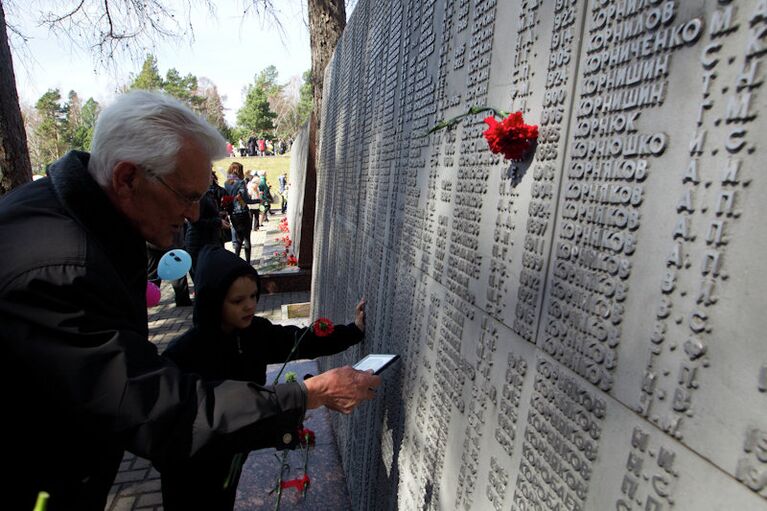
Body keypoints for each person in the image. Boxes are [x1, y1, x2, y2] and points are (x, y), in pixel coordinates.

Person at [0, 90, 380, 510]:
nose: (196, 215)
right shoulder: (58, 270)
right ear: (127, 178)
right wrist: (308, 394)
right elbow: (155, 408)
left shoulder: (85, 229)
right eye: (186, 195)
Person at [160, 245, 366, 509]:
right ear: (213, 301)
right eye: (237, 301)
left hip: (233, 457)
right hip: (191, 470)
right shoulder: (183, 354)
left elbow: (299, 340)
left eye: (254, 296)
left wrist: (352, 331)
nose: (249, 306)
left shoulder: (254, 333)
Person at [185, 172, 230, 280]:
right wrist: (218, 222)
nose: (212, 178)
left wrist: (219, 215)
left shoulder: (206, 194)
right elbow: (195, 220)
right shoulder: (198, 196)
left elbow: (206, 213)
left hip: (209, 240)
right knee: (203, 277)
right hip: (199, 242)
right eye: (208, 175)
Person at [223, 162, 256, 262]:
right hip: (243, 212)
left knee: (238, 239)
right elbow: (246, 200)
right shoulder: (241, 182)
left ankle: (236, 260)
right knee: (247, 239)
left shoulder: (226, 183)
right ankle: (248, 263)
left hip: (233, 213)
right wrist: (259, 200)